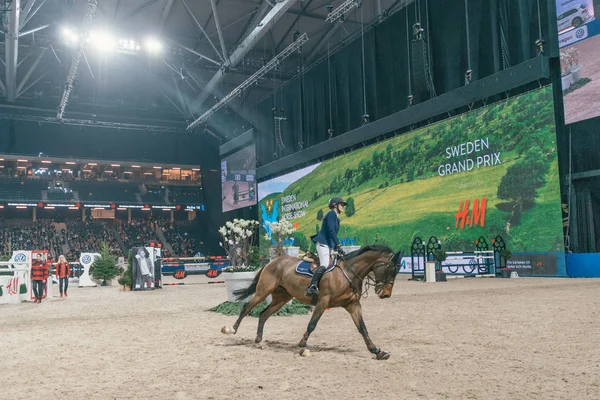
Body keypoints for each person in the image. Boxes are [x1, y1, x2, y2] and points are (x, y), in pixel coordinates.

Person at [305, 197, 347, 296]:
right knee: (324, 264)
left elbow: (331, 234)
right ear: (334, 205)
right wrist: (338, 244)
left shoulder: (336, 217)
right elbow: (331, 231)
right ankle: (312, 286)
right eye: (341, 205)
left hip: (328, 245)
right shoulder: (331, 214)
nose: (343, 207)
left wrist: (336, 248)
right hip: (323, 244)